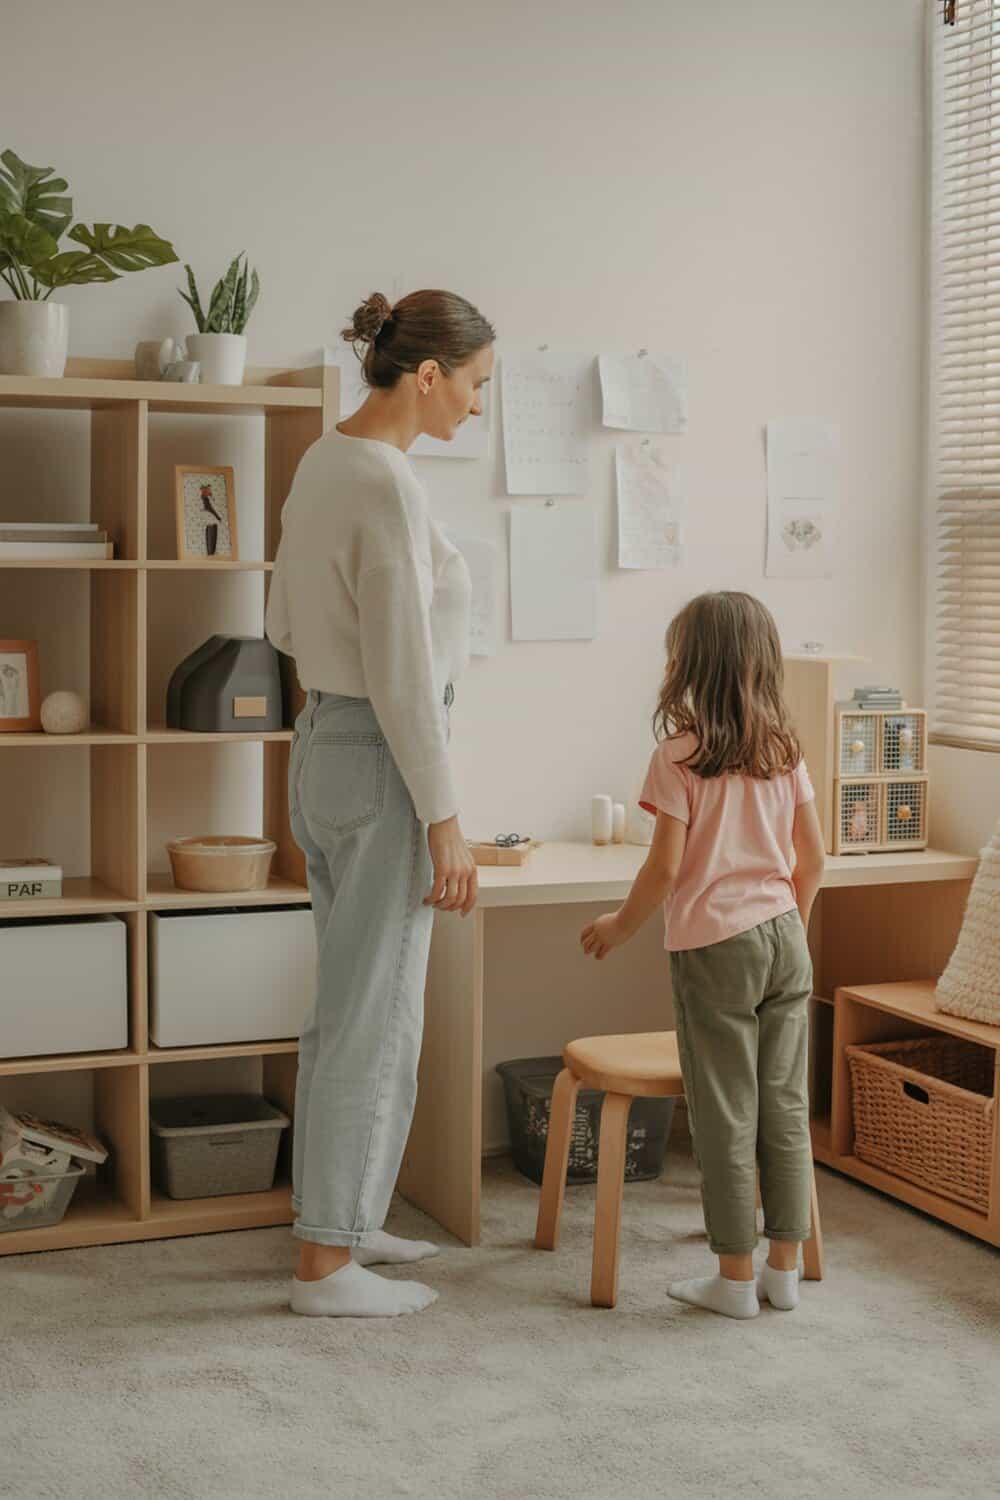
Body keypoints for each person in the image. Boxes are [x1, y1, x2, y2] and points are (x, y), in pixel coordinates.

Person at [265, 289, 495, 1317]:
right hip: (382, 756)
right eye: (477, 386)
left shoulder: (325, 461)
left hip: (320, 748)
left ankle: (345, 1222)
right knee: (375, 1014)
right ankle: (326, 1263)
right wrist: (443, 816)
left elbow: (279, 621)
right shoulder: (386, 483)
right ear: (430, 375)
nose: (479, 410)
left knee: (350, 1012)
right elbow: (404, 671)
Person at [580, 592, 826, 1320]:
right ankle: (783, 1269)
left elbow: (664, 869)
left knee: (724, 1111)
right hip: (785, 935)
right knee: (783, 1105)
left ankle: (733, 1277)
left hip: (717, 946)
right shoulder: (783, 749)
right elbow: (812, 860)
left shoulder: (679, 755)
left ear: (691, 664)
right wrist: (791, 929)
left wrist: (618, 927)